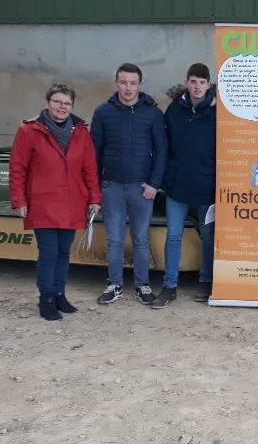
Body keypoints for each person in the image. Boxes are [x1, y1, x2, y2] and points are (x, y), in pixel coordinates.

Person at [9, 83, 101, 321]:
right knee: (48, 253)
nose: (62, 107)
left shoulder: (81, 132)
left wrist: (94, 198)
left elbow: (89, 169)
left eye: (67, 103)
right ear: (47, 103)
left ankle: (60, 293)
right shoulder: (29, 130)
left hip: (71, 202)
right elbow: (18, 168)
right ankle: (46, 299)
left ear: (72, 106)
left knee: (63, 252)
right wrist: (19, 199)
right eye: (57, 102)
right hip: (43, 202)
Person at [91, 63, 168, 306]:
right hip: (112, 186)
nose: (128, 88)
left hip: (141, 188)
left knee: (140, 239)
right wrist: (96, 188)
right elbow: (94, 153)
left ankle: (143, 285)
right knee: (113, 239)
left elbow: (162, 151)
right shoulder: (103, 112)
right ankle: (114, 284)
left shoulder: (153, 113)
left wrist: (154, 184)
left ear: (140, 85)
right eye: (123, 82)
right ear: (116, 83)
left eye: (133, 83)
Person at [152, 63, 217, 309]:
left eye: (202, 82)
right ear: (186, 83)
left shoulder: (218, 112)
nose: (197, 86)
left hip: (207, 187)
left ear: (208, 85)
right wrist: (167, 175)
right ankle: (170, 286)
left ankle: (206, 280)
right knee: (174, 235)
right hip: (177, 187)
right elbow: (164, 145)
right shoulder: (175, 110)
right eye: (193, 81)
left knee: (208, 236)